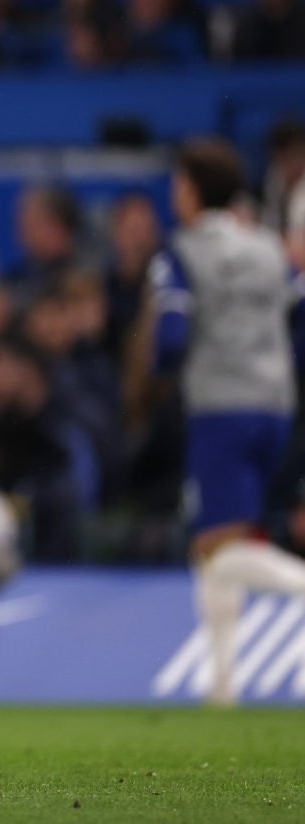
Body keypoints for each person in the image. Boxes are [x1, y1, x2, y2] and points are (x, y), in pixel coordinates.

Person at [148, 141, 305, 705]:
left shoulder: (181, 253)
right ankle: (223, 685)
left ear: (191, 190)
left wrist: (162, 372)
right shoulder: (270, 247)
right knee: (222, 546)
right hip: (278, 406)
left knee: (219, 545)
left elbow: (169, 336)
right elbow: (301, 317)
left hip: (220, 406)